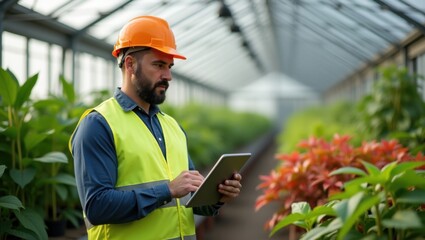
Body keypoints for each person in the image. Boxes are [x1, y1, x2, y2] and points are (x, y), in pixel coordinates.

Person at [69, 15, 243, 240]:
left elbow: (188, 201)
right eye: (159, 65)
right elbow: (97, 206)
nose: (168, 76)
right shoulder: (98, 124)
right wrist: (167, 190)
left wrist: (217, 196)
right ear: (130, 64)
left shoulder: (172, 127)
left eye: (169, 66)